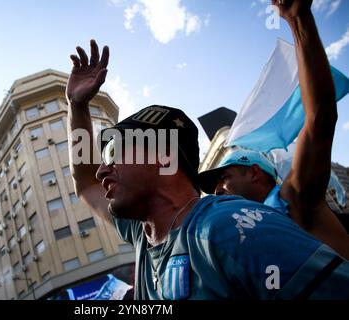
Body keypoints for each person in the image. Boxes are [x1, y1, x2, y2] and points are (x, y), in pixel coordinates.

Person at [66, 0, 349, 299]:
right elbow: (85, 182)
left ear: (163, 156)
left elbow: (318, 118)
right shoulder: (144, 237)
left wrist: (298, 20)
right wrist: (77, 106)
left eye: (114, 153)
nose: (101, 167)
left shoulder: (229, 228)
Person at [198, 0, 349, 259]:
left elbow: (319, 119)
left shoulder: (295, 197)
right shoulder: (244, 236)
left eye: (225, 178)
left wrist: (297, 19)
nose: (217, 191)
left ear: (254, 172)